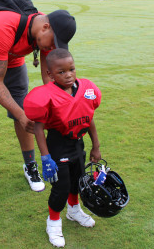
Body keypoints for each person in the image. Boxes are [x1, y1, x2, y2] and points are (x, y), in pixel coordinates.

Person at [0, 8, 76, 192]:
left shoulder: (46, 33)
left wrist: (59, 105)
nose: (52, 47)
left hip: (13, 59)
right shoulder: (2, 27)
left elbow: (48, 77)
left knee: (26, 111)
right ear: (45, 27)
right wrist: (22, 115)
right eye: (53, 42)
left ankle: (30, 165)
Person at [24, 49, 102, 247]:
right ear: (50, 74)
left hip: (78, 143)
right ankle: (53, 222)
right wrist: (45, 157)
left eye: (71, 69)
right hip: (58, 144)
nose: (68, 74)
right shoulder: (47, 95)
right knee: (61, 187)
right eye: (61, 72)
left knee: (78, 180)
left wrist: (96, 146)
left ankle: (74, 210)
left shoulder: (85, 89)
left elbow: (89, 118)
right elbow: (39, 128)